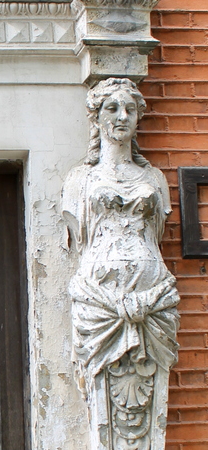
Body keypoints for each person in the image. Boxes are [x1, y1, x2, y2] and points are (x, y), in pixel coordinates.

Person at [62, 77, 180, 395]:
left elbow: (156, 232)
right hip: (99, 296)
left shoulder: (154, 177)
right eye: (112, 108)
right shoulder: (80, 179)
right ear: (97, 118)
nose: (122, 117)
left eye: (129, 109)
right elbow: (80, 235)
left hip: (152, 289)